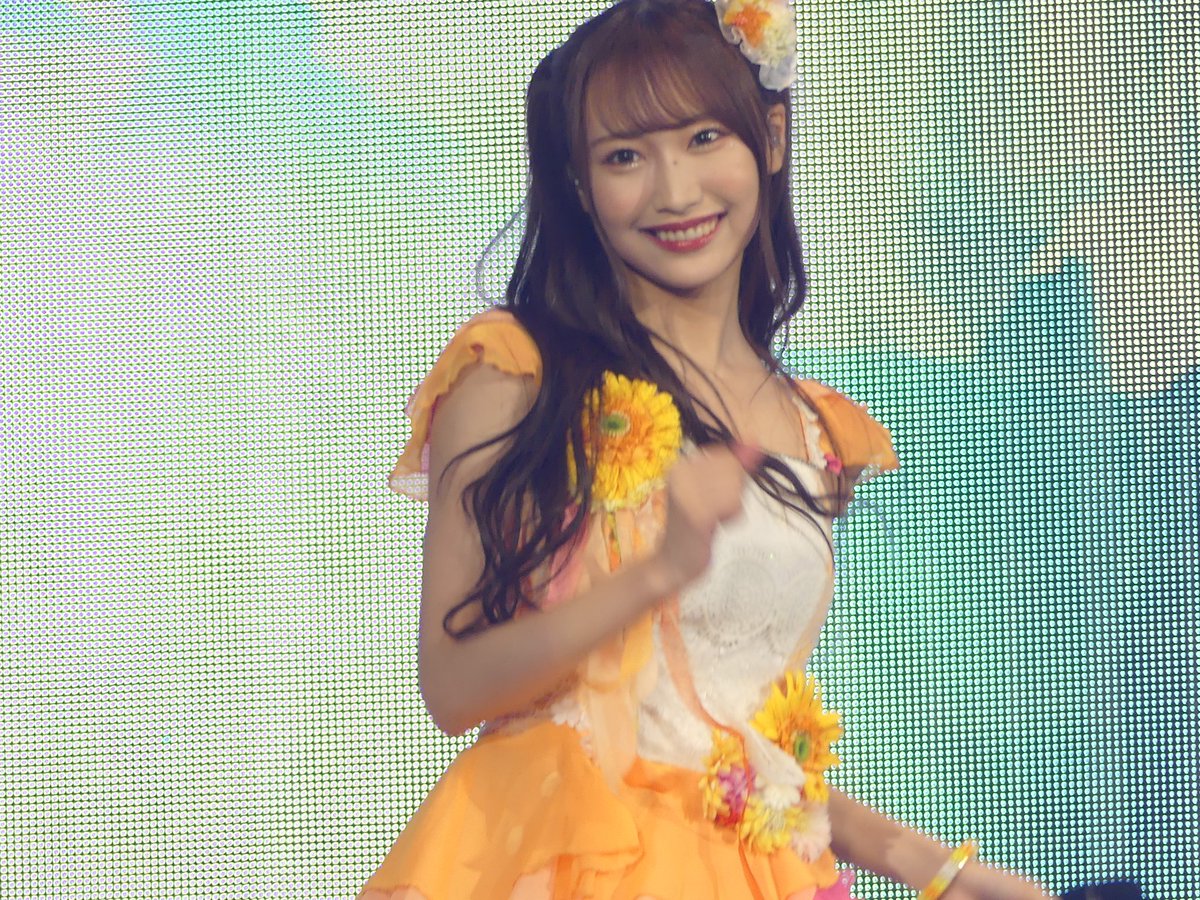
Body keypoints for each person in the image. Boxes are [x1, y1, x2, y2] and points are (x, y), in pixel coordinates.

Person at [359, 1, 1057, 897]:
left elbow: (731, 743)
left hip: (749, 867)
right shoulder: (519, 372)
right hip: (569, 852)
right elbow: (454, 685)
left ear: (770, 138)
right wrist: (659, 571)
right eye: (625, 156)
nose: (675, 191)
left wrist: (946, 871)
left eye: (702, 139)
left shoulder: (814, 426)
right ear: (580, 183)